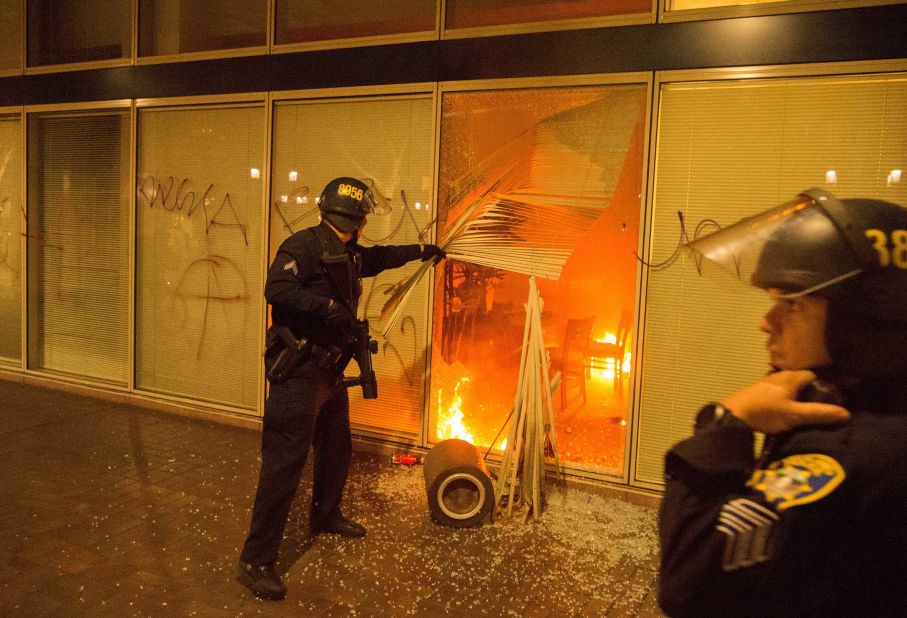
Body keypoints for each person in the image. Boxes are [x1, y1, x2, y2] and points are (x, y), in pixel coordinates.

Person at [658, 188, 907, 616]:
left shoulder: (844, 454)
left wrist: (726, 423)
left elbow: (689, 585)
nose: (765, 323)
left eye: (792, 305)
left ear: (861, 325)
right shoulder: (876, 406)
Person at [238, 177, 445, 600]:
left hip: (330, 370)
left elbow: (380, 258)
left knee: (336, 447)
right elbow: (275, 289)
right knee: (283, 465)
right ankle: (256, 561)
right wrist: (330, 309)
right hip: (298, 373)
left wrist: (423, 252)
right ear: (358, 218)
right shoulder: (305, 246)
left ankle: (326, 514)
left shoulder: (347, 250)